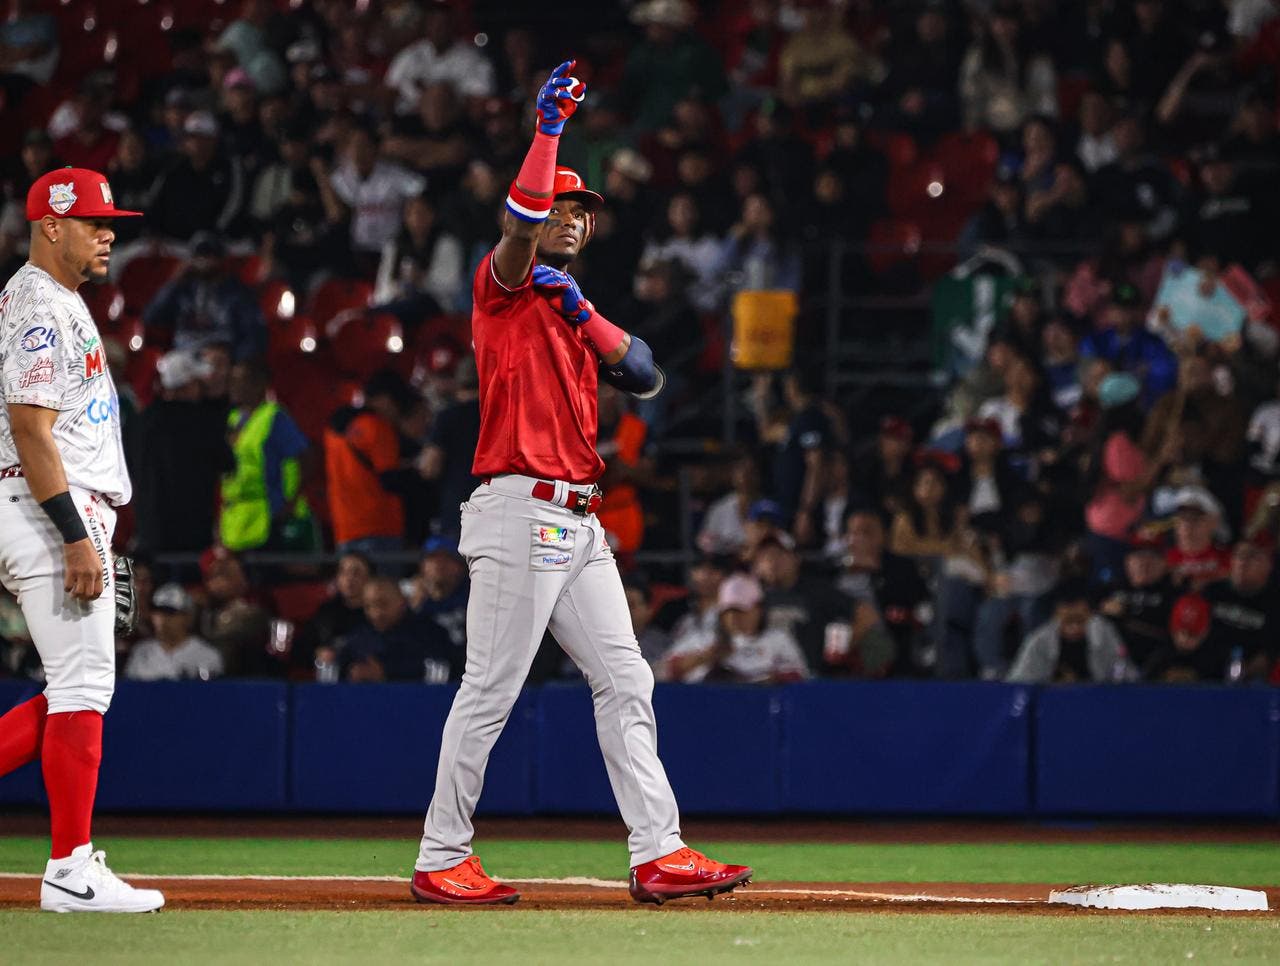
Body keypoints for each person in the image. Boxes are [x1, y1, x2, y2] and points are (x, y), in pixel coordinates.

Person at [411, 63, 751, 908]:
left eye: (581, 209)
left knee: (627, 679)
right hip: (519, 505)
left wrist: (580, 312)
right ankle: (440, 854)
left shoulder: (567, 303)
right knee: (490, 688)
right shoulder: (506, 280)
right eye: (560, 204)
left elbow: (644, 375)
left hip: (579, 520)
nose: (569, 215)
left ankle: (658, 851)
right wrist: (549, 132)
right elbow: (521, 222)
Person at [0, 167, 164, 912]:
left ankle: (72, 866)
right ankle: (70, 869)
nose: (109, 234)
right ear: (50, 225)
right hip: (47, 509)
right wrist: (73, 535)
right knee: (81, 687)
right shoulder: (38, 302)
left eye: (112, 223)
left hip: (56, 506)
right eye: (96, 221)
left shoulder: (58, 301)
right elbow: (30, 428)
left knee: (76, 689)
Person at [218, 359, 314, 554]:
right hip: (236, 520)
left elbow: (306, 458)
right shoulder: (234, 419)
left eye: (241, 380)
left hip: (269, 517)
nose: (233, 385)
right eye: (232, 380)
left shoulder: (274, 418)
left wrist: (290, 503)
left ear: (259, 384)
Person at [662, 572, 808, 684]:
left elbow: (798, 677)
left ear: (758, 609)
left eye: (740, 610)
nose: (733, 617)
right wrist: (706, 657)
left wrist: (764, 681)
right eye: (727, 611)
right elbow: (662, 673)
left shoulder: (777, 640)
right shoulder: (702, 639)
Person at [1006, 581, 1133, 684]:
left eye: (1080, 620)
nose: (1075, 627)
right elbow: (1019, 681)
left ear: (1089, 614)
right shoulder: (1040, 641)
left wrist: (1116, 682)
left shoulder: (1103, 634)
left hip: (1098, 701)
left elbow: (1121, 668)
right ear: (1056, 615)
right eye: (1068, 620)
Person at [340, 576, 455, 684]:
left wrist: (387, 672)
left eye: (383, 604)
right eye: (369, 606)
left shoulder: (430, 632)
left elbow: (442, 669)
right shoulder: (360, 636)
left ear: (401, 602)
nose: (376, 613)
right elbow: (342, 667)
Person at [123, 584, 223, 682]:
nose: (162, 618)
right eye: (158, 612)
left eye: (170, 613)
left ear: (188, 618)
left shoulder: (207, 655)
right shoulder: (140, 652)